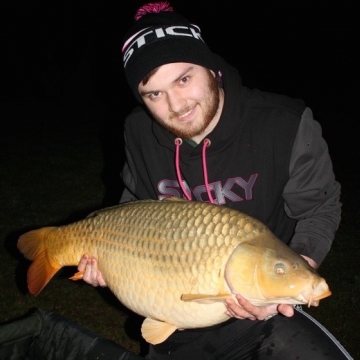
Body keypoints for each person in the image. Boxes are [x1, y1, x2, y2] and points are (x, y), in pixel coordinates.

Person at [77, 2, 353, 359]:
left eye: (183, 78)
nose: (176, 104)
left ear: (211, 68)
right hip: (174, 303)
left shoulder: (284, 124)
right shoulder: (138, 131)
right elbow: (136, 200)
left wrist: (302, 266)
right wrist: (109, 256)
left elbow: (319, 206)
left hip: (263, 308)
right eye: (154, 94)